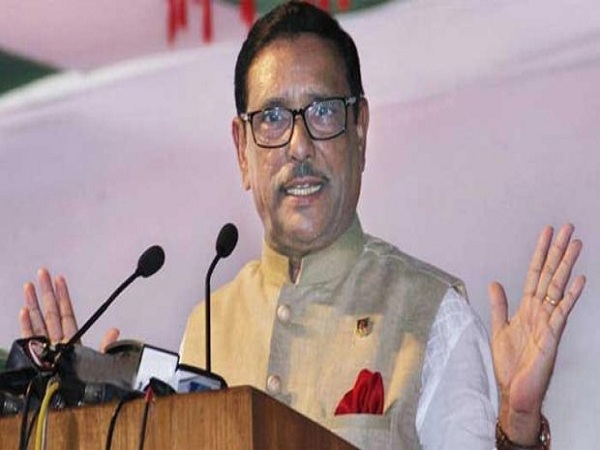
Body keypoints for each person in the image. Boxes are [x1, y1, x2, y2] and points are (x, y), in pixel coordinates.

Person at [19, 2, 586, 449]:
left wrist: (517, 428)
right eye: (271, 117)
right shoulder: (207, 328)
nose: (299, 145)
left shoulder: (434, 315)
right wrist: (85, 420)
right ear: (242, 151)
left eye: (323, 112)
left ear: (360, 131)